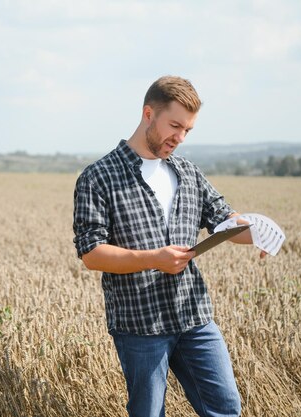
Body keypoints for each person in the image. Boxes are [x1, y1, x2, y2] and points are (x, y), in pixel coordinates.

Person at [73, 75, 266, 417]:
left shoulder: (187, 173)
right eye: (175, 125)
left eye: (188, 130)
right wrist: (153, 259)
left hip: (194, 317)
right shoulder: (98, 177)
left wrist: (260, 231)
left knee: (226, 409)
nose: (180, 137)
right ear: (149, 114)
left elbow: (225, 220)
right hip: (140, 324)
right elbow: (92, 253)